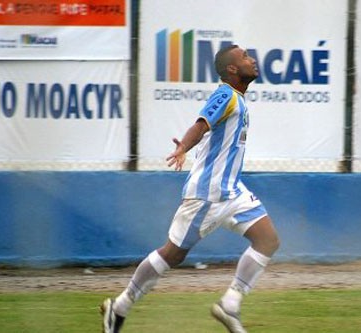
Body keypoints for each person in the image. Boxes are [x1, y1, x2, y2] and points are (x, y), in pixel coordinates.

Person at [101, 45, 280, 333]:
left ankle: (230, 305)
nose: (252, 60)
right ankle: (119, 307)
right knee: (172, 255)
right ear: (232, 69)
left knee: (268, 240)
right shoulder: (226, 95)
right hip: (207, 195)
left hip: (232, 191)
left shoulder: (239, 100)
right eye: (245, 57)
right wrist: (183, 146)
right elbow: (201, 124)